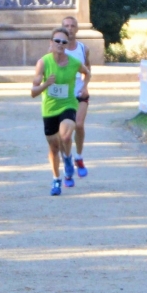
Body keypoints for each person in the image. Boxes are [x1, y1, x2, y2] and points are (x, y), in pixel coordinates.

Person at [31, 28, 89, 195]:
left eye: (64, 42)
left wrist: (84, 88)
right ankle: (56, 179)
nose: (60, 44)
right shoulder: (43, 63)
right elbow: (33, 92)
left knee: (65, 136)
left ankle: (69, 158)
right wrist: (45, 85)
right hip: (49, 109)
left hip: (68, 105)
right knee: (54, 147)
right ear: (51, 42)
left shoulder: (74, 62)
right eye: (57, 41)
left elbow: (87, 73)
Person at [61, 15, 91, 176]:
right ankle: (67, 159)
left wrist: (85, 86)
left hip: (80, 94)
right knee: (64, 135)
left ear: (77, 29)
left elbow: (88, 70)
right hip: (64, 97)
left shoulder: (83, 49)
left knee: (79, 125)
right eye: (66, 25)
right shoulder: (58, 49)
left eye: (73, 26)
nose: (69, 28)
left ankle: (78, 156)